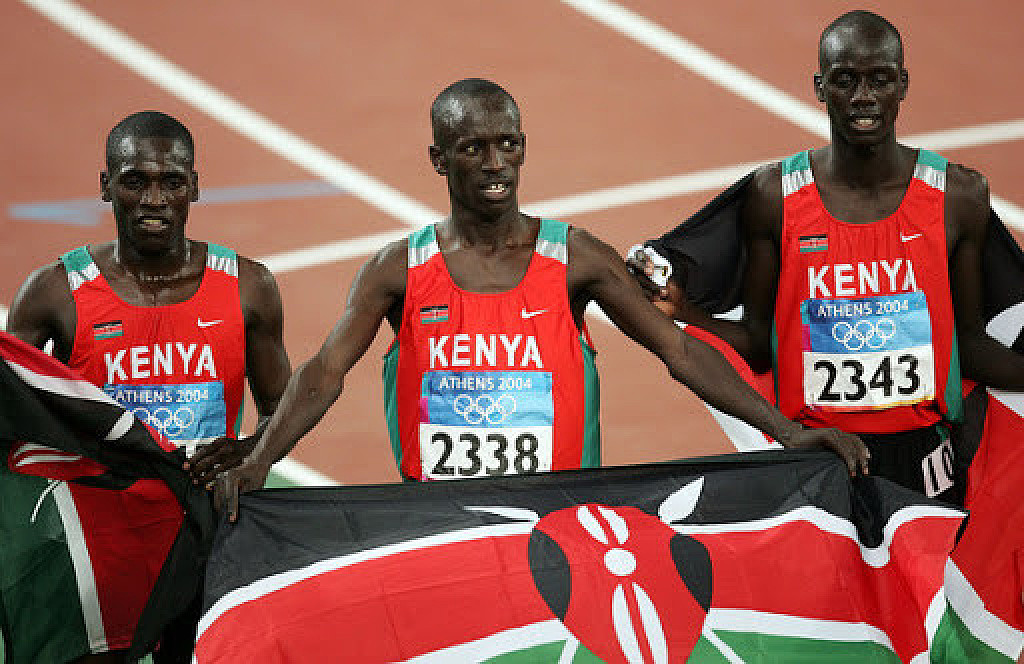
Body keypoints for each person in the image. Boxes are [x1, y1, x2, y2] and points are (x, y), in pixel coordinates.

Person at [192, 78, 868, 520]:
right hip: (441, 523)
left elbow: (680, 352)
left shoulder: (576, 259)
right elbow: (325, 371)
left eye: (507, 145)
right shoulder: (397, 269)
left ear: (523, 149)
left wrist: (785, 430)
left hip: (559, 523)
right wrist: (261, 458)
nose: (494, 165)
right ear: (439, 160)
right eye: (473, 149)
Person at [631, 11, 1024, 505]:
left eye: (880, 79)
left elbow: (969, 343)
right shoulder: (776, 197)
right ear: (820, 87)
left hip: (926, 463)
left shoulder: (957, 197)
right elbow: (760, 344)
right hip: (818, 460)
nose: (863, 97)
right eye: (845, 80)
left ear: (902, 85)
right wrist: (685, 312)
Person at [5, 111, 290, 662]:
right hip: (101, 537)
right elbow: (10, 407)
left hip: (201, 529)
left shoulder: (249, 287)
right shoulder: (53, 293)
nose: (154, 200)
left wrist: (253, 450)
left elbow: (281, 406)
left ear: (195, 187)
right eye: (135, 181)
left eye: (171, 182)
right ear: (106, 186)